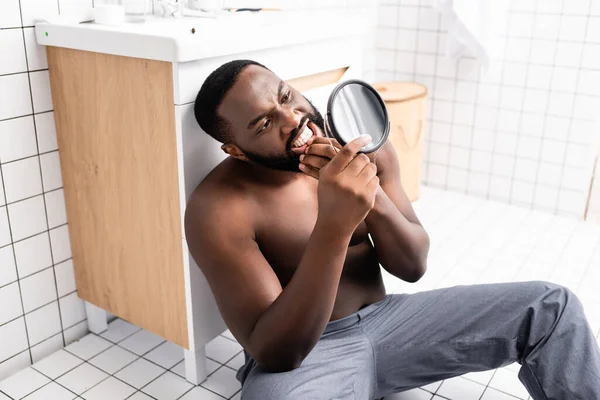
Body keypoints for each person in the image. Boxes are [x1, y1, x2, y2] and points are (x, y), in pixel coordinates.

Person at [184, 59, 600, 400]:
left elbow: (413, 264)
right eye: (263, 124)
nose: (292, 119)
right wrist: (333, 224)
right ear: (235, 150)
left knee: (552, 306)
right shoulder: (219, 209)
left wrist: (371, 195)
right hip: (308, 356)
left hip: (393, 324)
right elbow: (276, 352)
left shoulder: (360, 140)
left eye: (287, 96)